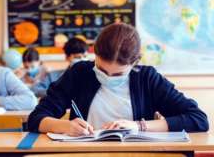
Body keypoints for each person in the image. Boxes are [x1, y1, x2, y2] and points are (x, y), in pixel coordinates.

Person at [27, 23, 208, 136]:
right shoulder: (79, 73)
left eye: (118, 74)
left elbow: (198, 119)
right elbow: (36, 119)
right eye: (102, 69)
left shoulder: (147, 78)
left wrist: (139, 126)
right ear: (94, 54)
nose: (108, 77)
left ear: (135, 62)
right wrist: (64, 126)